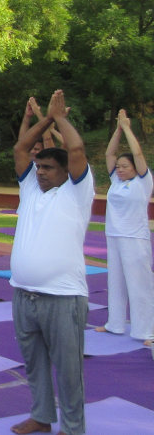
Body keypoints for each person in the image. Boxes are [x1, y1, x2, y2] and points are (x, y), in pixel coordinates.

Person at [8, 91, 93, 435]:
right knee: (34, 365)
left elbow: (76, 151)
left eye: (47, 167)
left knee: (69, 370)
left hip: (63, 297)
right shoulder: (30, 189)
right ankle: (42, 416)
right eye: (38, 166)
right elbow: (19, 150)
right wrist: (43, 120)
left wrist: (58, 118)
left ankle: (73, 428)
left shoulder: (76, 191)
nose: (39, 172)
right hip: (23, 294)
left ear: (64, 172)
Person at [100, 110, 152, 344]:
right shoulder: (116, 181)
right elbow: (109, 153)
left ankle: (145, 330)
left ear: (134, 168)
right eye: (118, 166)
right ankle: (115, 324)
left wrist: (128, 128)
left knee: (139, 285)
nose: (120, 169)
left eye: (124, 166)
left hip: (134, 238)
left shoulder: (143, 182)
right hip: (114, 235)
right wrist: (118, 129)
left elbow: (138, 153)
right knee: (116, 282)